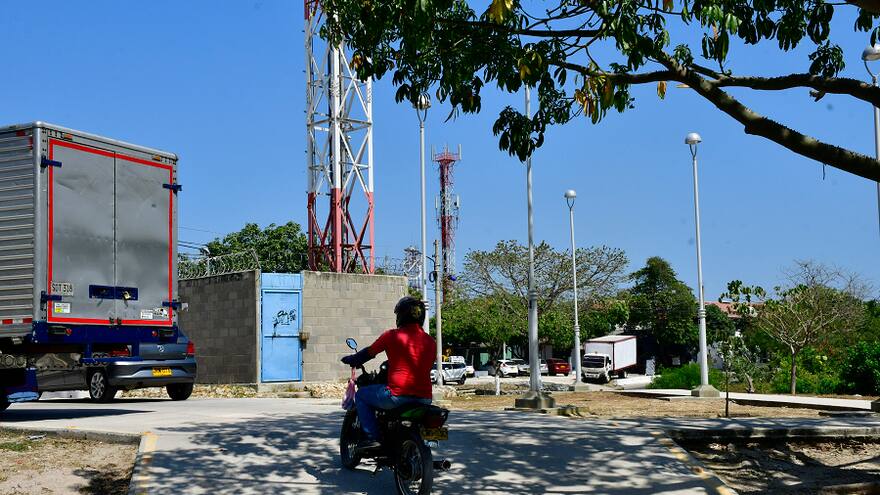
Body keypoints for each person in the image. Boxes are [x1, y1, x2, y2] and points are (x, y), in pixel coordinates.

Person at [341, 296, 436, 451]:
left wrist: (352, 359)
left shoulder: (392, 336)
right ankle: (427, 444)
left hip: (397, 395)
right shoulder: (430, 341)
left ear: (401, 315)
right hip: (425, 398)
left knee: (361, 396)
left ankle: (372, 437)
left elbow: (368, 353)